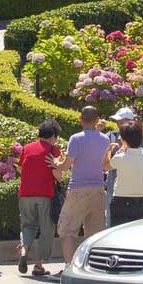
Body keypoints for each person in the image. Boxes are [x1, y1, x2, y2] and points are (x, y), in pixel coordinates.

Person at [50, 106, 111, 267]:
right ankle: (93, 268)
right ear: (97, 120)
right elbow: (106, 165)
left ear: (80, 118)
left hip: (78, 189)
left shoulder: (76, 138)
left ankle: (69, 267)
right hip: (98, 189)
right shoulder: (105, 139)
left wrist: (56, 163)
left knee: (67, 231)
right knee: (95, 234)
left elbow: (66, 164)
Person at [18, 119, 62, 277]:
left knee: (28, 226)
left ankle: (24, 250)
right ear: (53, 136)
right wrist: (57, 166)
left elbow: (21, 168)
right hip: (45, 194)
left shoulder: (26, 148)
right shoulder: (53, 150)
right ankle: (38, 265)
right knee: (46, 230)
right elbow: (58, 176)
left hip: (25, 194)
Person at [105, 123, 143, 227]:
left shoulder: (121, 157)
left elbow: (106, 166)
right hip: (140, 202)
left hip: (121, 201)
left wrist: (109, 151)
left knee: (117, 233)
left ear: (123, 139)